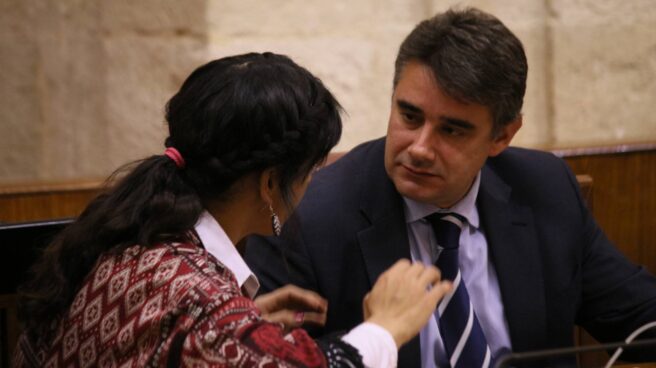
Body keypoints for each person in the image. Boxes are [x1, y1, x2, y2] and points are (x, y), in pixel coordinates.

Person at [245, 8, 656, 368]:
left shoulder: (546, 187)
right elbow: (266, 359)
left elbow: (640, 318)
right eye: (409, 116)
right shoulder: (306, 214)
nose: (420, 148)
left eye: (452, 130)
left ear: (502, 136)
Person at [13, 52, 453, 368]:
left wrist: (250, 326)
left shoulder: (129, 235)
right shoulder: (203, 308)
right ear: (268, 182)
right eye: (310, 170)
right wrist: (385, 327)